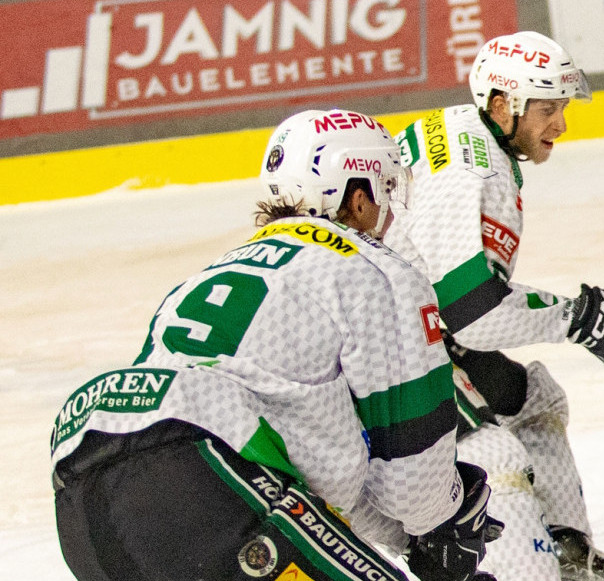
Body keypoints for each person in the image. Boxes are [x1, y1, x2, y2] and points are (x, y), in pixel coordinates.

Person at [51, 109, 500, 581]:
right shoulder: (374, 271)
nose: (389, 215)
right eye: (386, 189)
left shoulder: (209, 277)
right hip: (201, 473)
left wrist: (409, 541)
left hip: (83, 487)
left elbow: (306, 492)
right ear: (358, 193)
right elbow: (414, 485)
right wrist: (445, 523)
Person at [385, 31, 604, 581]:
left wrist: (580, 315)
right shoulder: (475, 173)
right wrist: (581, 318)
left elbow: (449, 294)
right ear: (500, 104)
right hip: (395, 353)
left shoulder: (456, 132)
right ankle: (525, 569)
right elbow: (476, 312)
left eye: (561, 107)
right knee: (495, 456)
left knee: (535, 400)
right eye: (546, 108)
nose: (559, 123)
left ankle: (567, 554)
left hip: (417, 329)